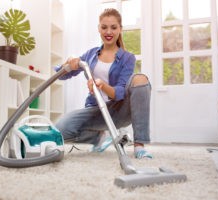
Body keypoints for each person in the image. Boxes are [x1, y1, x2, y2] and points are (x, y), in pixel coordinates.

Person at [55, 8, 152, 159]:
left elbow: (119, 92)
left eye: (114, 27)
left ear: (120, 29)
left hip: (118, 110)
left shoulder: (127, 58)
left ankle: (139, 145)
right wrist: (68, 65)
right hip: (96, 110)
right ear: (99, 28)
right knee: (59, 130)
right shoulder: (90, 55)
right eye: (104, 27)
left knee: (140, 79)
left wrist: (102, 85)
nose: (109, 32)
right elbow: (60, 76)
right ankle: (98, 137)